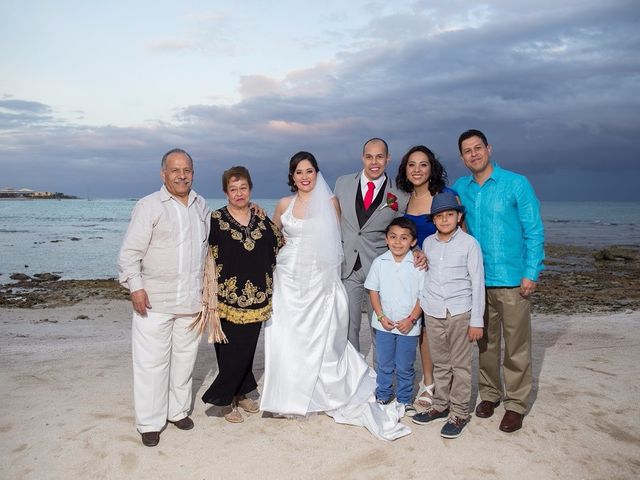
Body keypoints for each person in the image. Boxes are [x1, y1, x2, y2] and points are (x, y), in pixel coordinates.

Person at [260, 151, 411, 441]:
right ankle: (286, 393)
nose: (304, 177)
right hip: (288, 278)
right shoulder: (282, 204)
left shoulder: (330, 203)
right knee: (286, 335)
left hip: (319, 280)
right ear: (292, 176)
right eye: (299, 172)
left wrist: (329, 280)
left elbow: (336, 243)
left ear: (317, 173)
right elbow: (270, 237)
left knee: (323, 338)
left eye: (309, 171)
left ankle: (321, 388)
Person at [452, 129, 544, 433]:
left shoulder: (516, 184)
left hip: (513, 279)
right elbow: (445, 224)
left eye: (478, 148)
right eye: (467, 150)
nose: (474, 154)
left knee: (517, 344)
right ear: (462, 157)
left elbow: (534, 229)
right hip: (477, 281)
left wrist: (531, 272)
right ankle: (490, 394)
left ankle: (516, 404)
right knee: (486, 344)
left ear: (489, 149)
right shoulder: (460, 189)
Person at [117, 148, 208, 447]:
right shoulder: (149, 206)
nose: (182, 175)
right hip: (154, 300)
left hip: (191, 301)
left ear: (193, 172)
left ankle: (177, 410)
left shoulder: (201, 205)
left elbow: (209, 251)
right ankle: (150, 422)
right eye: (175, 170)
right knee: (151, 363)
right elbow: (130, 253)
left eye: (187, 170)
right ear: (163, 174)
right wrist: (136, 287)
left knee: (184, 361)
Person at [198, 166, 282, 423]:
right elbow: (198, 248)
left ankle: (243, 391)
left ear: (250, 189)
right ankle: (224, 399)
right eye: (233, 189)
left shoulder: (261, 219)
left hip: (258, 297)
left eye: (243, 188)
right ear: (225, 192)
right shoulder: (214, 220)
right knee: (229, 350)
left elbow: (280, 243)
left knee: (246, 349)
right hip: (224, 298)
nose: (238, 193)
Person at [411, 191, 485, 439]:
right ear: (433, 220)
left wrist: (477, 320)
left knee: (461, 365)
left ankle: (460, 412)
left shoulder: (469, 244)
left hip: (460, 312)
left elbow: (477, 282)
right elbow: (425, 272)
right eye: (439, 216)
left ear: (459, 216)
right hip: (433, 312)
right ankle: (441, 405)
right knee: (441, 363)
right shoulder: (429, 243)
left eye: (449, 215)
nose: (444, 220)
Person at [333, 138, 410, 353]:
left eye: (379, 157)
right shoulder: (342, 183)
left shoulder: (401, 195)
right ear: (362, 158)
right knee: (348, 327)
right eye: (369, 157)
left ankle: (380, 381)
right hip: (348, 267)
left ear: (388, 158)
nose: (374, 162)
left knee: (380, 328)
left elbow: (404, 231)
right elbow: (326, 214)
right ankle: (353, 378)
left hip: (380, 269)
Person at [396, 145, 458, 408]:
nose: (417, 170)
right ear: (405, 170)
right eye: (412, 164)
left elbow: (460, 236)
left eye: (423, 164)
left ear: (432, 168)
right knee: (423, 332)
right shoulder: (404, 200)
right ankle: (429, 382)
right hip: (415, 274)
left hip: (443, 273)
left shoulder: (446, 196)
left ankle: (450, 383)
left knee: (445, 331)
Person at [364, 217, 424, 417]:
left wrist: (412, 319)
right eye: (393, 237)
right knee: (385, 362)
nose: (398, 242)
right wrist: (380, 316)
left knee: (405, 364)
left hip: (409, 325)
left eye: (404, 238)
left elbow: (423, 296)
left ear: (413, 241)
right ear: (386, 239)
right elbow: (373, 291)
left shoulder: (418, 265)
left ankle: (405, 399)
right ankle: (383, 394)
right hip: (384, 325)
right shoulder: (379, 262)